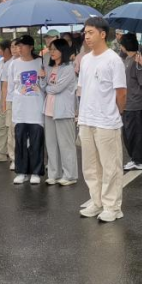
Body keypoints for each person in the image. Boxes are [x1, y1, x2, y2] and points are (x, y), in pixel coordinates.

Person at [77, 17, 128, 221]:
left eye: (91, 32)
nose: (87, 36)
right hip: (86, 119)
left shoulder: (113, 60)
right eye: (85, 33)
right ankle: (97, 202)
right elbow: (82, 89)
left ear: (103, 34)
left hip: (107, 121)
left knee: (110, 166)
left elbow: (121, 92)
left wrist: (116, 112)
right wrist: (80, 115)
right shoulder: (86, 59)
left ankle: (112, 207)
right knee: (90, 167)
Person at [5, 35, 47, 184]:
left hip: (36, 108)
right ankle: (21, 171)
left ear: (31, 47)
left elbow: (45, 87)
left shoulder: (40, 62)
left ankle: (36, 172)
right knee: (20, 141)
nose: (19, 48)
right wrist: (10, 104)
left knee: (36, 141)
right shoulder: (13, 64)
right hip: (20, 108)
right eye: (18, 46)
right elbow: (11, 87)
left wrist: (42, 78)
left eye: (22, 45)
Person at [43, 38, 79, 185]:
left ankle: (70, 175)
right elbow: (43, 85)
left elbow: (57, 88)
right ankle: (54, 174)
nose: (51, 52)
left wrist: (47, 86)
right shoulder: (49, 68)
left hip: (63, 111)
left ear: (62, 51)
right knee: (51, 144)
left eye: (55, 49)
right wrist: (42, 78)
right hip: (48, 110)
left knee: (66, 144)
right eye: (50, 49)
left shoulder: (69, 68)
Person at [119, 33, 142, 170]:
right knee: (128, 133)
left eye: (121, 44)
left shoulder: (137, 61)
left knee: (137, 133)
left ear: (125, 46)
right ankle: (134, 158)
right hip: (127, 103)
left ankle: (139, 160)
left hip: (136, 104)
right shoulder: (128, 59)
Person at [0, 40, 15, 165]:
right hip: (0, 98)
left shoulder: (14, 62)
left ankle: (13, 156)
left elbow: (7, 85)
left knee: (10, 129)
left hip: (9, 99)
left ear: (6, 50)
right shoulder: (0, 61)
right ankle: (0, 152)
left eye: (0, 49)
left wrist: (5, 101)